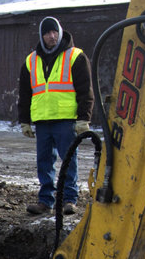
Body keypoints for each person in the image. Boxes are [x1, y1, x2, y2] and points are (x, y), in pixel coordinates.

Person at [19, 16, 94, 216]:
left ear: (60, 32)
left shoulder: (75, 56)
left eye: (54, 32)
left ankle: (69, 199)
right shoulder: (31, 60)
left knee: (68, 159)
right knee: (44, 162)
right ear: (41, 36)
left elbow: (85, 90)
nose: (51, 37)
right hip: (43, 120)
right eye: (47, 33)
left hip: (66, 119)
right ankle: (46, 200)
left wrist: (83, 118)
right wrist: (24, 121)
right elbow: (25, 93)